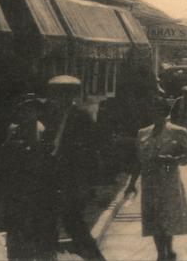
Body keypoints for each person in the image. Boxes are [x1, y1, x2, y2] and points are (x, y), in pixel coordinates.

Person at [43, 75, 106, 261]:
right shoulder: (48, 117)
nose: (60, 99)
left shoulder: (81, 117)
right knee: (48, 225)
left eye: (65, 94)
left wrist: (87, 183)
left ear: (73, 95)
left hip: (73, 180)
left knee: (74, 223)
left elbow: (91, 152)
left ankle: (95, 258)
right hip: (50, 178)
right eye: (57, 94)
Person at [125, 97, 187, 261]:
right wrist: (132, 183)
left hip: (168, 180)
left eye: (158, 111)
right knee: (152, 216)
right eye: (152, 111)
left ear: (165, 113)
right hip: (149, 181)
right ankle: (160, 253)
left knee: (166, 215)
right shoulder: (143, 132)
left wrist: (173, 159)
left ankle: (167, 250)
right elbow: (138, 160)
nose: (154, 114)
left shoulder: (178, 131)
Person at [0, 95, 57, 261]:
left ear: (37, 112)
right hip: (17, 186)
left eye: (32, 109)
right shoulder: (14, 130)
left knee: (36, 230)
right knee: (16, 230)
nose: (28, 112)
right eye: (24, 109)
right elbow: (4, 157)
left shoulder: (41, 129)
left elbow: (47, 157)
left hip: (36, 186)